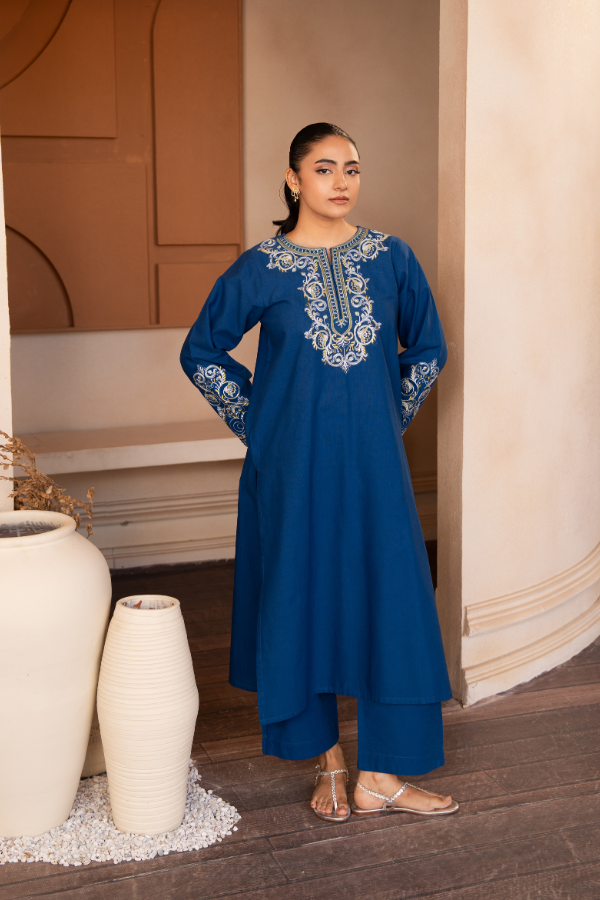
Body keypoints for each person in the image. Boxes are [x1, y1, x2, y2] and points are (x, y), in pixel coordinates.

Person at [181, 123, 458, 821]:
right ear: (293, 178)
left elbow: (428, 348)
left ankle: (381, 775)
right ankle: (329, 763)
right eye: (325, 168)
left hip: (374, 466)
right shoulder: (262, 268)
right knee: (299, 597)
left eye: (352, 169)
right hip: (291, 467)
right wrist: (258, 422)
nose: (341, 182)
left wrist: (387, 417)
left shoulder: (392, 257)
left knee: (392, 599)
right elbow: (201, 351)